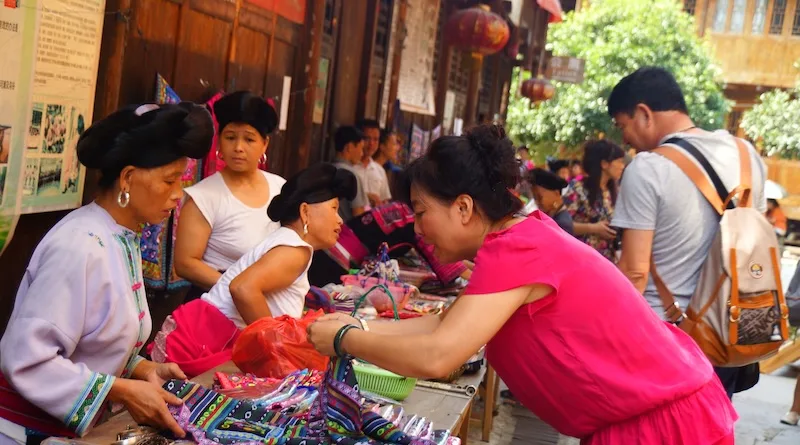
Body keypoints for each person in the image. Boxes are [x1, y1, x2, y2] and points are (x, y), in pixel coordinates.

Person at [307, 124, 737, 445]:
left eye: (420, 213)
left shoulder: (517, 248)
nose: (417, 229)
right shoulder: (518, 238)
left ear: (462, 207)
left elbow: (440, 354)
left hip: (664, 425)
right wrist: (353, 327)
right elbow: (442, 326)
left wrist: (346, 337)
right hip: (657, 412)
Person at [0, 103, 215, 442]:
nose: (178, 195)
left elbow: (93, 338)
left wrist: (142, 369)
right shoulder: (80, 246)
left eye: (182, 180)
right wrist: (122, 390)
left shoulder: (119, 237)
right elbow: (28, 359)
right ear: (128, 178)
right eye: (170, 180)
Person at [608, 67, 767, 398]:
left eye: (623, 126)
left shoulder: (648, 168)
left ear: (643, 114)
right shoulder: (746, 156)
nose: (624, 139)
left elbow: (635, 273)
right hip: (727, 335)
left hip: (662, 340)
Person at [149, 163, 356, 377]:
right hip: (205, 344)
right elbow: (243, 288)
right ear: (305, 212)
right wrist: (276, 347)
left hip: (198, 337)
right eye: (334, 208)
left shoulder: (288, 242)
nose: (340, 219)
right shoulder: (295, 250)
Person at [174, 91, 286, 302]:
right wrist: (239, 288)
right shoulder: (204, 197)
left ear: (265, 144)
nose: (238, 148)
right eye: (230, 137)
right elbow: (186, 263)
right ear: (219, 142)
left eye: (249, 139)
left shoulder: (280, 188)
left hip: (270, 302)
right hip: (218, 306)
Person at [307, 202, 468, 288]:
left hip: (332, 249)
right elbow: (448, 264)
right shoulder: (416, 219)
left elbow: (451, 258)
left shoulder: (404, 208)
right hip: (335, 257)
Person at [562, 140, 625, 262]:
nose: (622, 166)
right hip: (583, 260)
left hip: (608, 260)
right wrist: (593, 228)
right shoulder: (578, 188)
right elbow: (562, 225)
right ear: (604, 164)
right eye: (619, 161)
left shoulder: (613, 191)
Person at [333, 126, 370, 220]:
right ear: (349, 147)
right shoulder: (352, 175)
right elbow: (359, 214)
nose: (362, 154)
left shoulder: (325, 169)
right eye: (361, 148)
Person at [528, 168, 573, 235]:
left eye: (540, 197)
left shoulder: (561, 224)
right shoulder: (553, 217)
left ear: (556, 193)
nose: (537, 202)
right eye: (535, 198)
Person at [357, 120, 392, 206]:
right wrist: (366, 196)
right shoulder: (349, 167)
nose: (371, 143)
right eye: (367, 138)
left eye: (375, 139)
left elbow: (384, 201)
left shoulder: (380, 170)